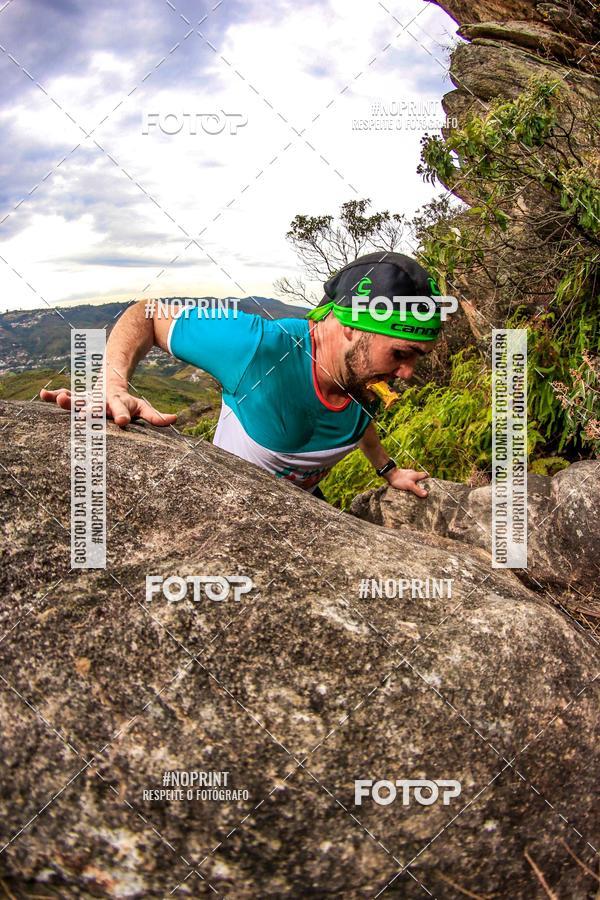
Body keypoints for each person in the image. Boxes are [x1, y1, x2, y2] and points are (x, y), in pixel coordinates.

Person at [41, 252, 444, 500]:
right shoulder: (260, 348)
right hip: (227, 505)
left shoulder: (367, 376)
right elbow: (147, 313)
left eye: (417, 358)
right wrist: (111, 386)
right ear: (352, 325)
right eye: (400, 354)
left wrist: (387, 470)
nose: (407, 373)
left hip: (303, 508)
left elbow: (359, 422)